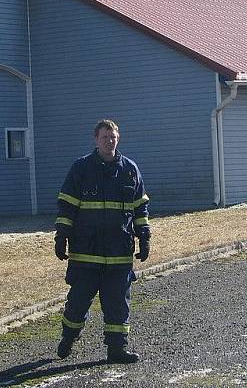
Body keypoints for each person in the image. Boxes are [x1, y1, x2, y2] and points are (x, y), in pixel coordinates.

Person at [54, 119, 151, 364]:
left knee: (118, 304)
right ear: (96, 140)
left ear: (118, 139)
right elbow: (67, 204)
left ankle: (117, 349)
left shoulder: (130, 170)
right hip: (86, 252)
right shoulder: (81, 168)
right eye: (105, 137)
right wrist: (61, 236)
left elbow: (140, 207)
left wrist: (144, 236)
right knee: (77, 302)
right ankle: (68, 338)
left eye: (113, 137)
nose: (110, 141)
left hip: (119, 252)